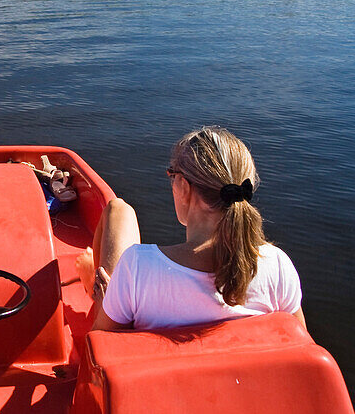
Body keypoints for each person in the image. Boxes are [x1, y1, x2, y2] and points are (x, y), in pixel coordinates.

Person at [76, 126, 304, 332]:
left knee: (118, 211)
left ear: (184, 187)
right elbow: (301, 348)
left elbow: (98, 351)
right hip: (238, 377)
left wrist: (106, 298)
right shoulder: (277, 266)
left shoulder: (138, 268)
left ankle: (92, 286)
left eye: (172, 175)